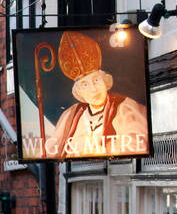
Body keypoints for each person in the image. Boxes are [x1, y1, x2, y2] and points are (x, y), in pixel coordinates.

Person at [44, 31, 148, 159]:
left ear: (105, 81)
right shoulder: (71, 115)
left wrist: (103, 149)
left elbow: (138, 143)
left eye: (96, 80)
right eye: (85, 85)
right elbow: (53, 151)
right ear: (79, 92)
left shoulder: (125, 107)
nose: (93, 89)